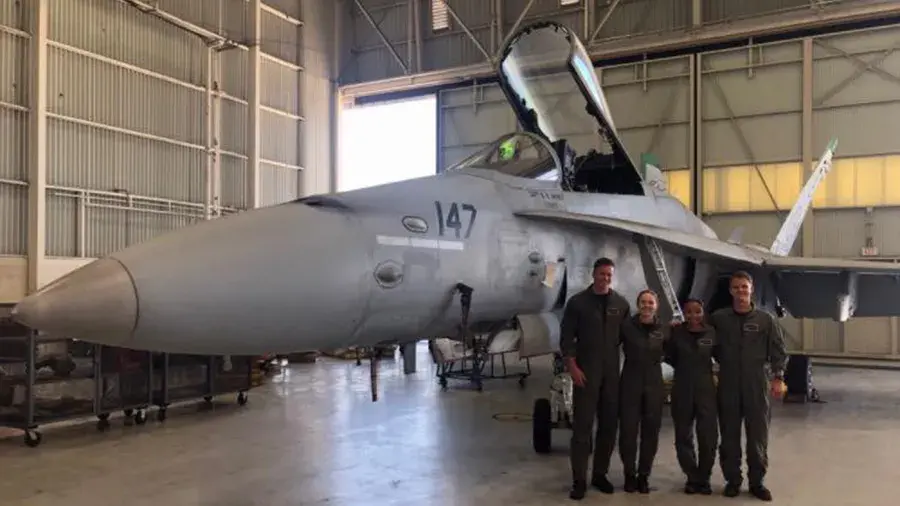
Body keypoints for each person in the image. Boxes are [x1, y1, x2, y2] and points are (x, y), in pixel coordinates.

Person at [708, 271, 787, 501]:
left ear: (751, 289)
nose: (741, 291)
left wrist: (778, 377)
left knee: (757, 437)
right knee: (730, 436)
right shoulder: (719, 318)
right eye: (736, 287)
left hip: (757, 383)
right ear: (731, 291)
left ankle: (757, 482)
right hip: (728, 383)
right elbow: (705, 343)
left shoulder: (765, 320)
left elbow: (778, 350)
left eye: (745, 287)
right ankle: (733, 480)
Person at [559, 257, 631, 501]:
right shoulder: (578, 303)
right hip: (586, 373)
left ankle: (600, 475)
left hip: (612, 374)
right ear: (593, 274)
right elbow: (566, 338)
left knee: (609, 427)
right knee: (582, 428)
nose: (605, 278)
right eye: (602, 274)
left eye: (609, 275)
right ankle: (579, 480)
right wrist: (572, 367)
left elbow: (630, 337)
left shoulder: (620, 304)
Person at [665, 298, 718, 495]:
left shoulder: (712, 333)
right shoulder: (676, 333)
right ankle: (692, 477)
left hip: (705, 389)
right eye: (689, 312)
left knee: (708, 436)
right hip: (682, 387)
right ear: (684, 313)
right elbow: (669, 356)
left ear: (702, 312)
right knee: (683, 435)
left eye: (697, 312)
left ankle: (704, 477)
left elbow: (720, 355)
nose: (693, 316)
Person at [617, 289, 668, 494]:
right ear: (638, 304)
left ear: (657, 306)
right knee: (628, 431)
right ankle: (629, 474)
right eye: (643, 302)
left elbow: (676, 350)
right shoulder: (626, 326)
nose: (647, 306)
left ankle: (644, 476)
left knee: (651, 432)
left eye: (651, 303)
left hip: (654, 381)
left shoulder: (664, 329)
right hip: (630, 379)